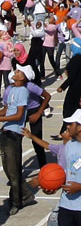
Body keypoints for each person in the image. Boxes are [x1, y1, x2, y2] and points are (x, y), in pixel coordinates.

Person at [0, 65, 36, 214]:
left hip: (14, 133)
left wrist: (1, 118)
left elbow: (19, 115)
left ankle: (17, 201)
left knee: (13, 171)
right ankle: (25, 194)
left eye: (19, 71)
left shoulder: (23, 91)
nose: (15, 72)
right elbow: (7, 109)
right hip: (5, 131)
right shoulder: (12, 89)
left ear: (24, 77)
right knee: (8, 169)